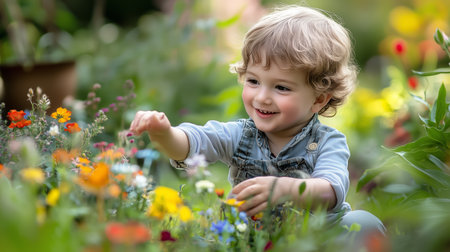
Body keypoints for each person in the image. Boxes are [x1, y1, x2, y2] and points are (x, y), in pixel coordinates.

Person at [130, 5, 385, 236]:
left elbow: (331, 190)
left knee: (363, 222)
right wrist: (164, 133)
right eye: (253, 81)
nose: (262, 97)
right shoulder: (240, 135)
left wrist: (286, 189)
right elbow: (195, 144)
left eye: (281, 88)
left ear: (319, 99)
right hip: (253, 238)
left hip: (317, 241)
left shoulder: (328, 143)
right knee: (204, 234)